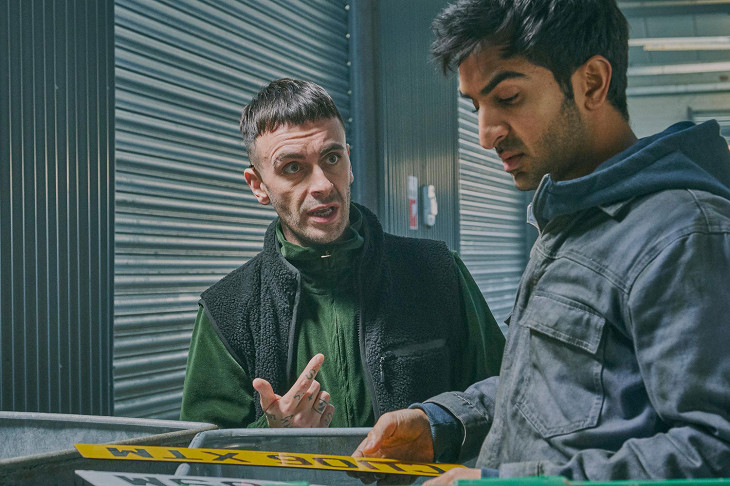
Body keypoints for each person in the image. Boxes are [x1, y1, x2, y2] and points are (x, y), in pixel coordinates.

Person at [353, 0, 730, 482]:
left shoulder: (682, 235)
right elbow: (554, 391)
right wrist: (445, 422)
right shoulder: (572, 224)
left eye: (508, 97)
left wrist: (510, 484)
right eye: (476, 106)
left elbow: (713, 452)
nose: (485, 135)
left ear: (592, 82)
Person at [179, 78, 505, 429]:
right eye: (293, 167)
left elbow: (504, 397)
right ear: (258, 186)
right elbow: (200, 452)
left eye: (332, 158)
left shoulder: (437, 270)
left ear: (349, 164)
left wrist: (437, 427)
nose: (322, 185)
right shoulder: (226, 310)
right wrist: (272, 435)